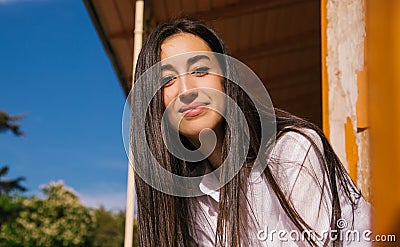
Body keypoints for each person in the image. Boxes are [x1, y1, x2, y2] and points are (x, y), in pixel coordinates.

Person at [130, 18, 371, 246]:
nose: (186, 90)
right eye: (167, 81)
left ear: (226, 80)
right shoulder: (190, 202)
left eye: (200, 70)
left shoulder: (291, 152)